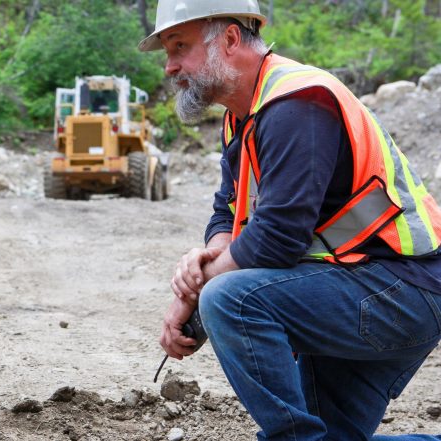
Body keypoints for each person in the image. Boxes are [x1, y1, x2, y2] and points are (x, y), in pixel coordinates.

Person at [140, 1, 441, 439]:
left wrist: (197, 291)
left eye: (179, 47)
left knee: (230, 299)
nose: (170, 68)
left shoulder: (298, 104)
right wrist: (210, 253)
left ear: (228, 39)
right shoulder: (243, 116)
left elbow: (277, 238)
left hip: (400, 290)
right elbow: (227, 209)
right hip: (360, 284)